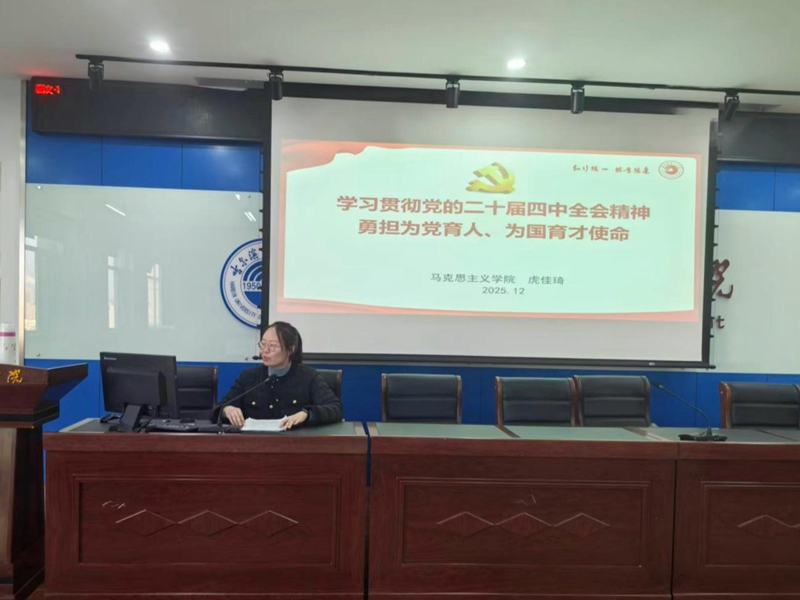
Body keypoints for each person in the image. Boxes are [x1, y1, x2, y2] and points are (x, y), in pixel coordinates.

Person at [217, 321, 342, 429]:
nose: (265, 351)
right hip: (254, 443)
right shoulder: (249, 376)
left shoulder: (309, 377)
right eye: (263, 344)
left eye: (272, 346)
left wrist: (307, 414)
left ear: (291, 349)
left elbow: (336, 408)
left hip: (295, 444)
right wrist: (227, 410)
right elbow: (219, 408)